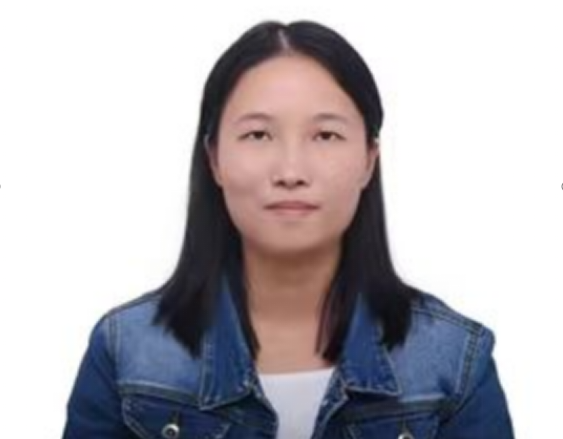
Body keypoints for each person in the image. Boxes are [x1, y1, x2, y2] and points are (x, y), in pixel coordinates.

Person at [62, 19, 515, 439]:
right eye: (258, 135)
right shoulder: (126, 354)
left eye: (325, 135)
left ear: (368, 160)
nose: (291, 171)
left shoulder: (453, 361)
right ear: (214, 158)